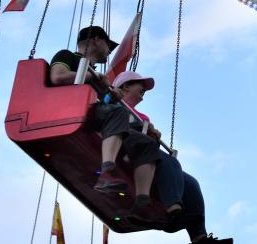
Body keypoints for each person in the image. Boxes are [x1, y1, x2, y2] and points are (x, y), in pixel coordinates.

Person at [112, 71, 232, 244]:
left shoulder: (143, 118)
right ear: (125, 86)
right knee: (170, 161)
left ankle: (199, 237)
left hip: (142, 151)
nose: (144, 89)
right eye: (141, 84)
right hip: (122, 146)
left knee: (191, 183)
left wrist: (153, 133)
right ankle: (173, 210)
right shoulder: (113, 101)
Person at [49, 25, 160, 195]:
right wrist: (91, 76)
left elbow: (104, 103)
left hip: (94, 116)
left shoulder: (99, 76)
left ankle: (142, 196)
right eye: (108, 45)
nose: (109, 51)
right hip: (68, 110)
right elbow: (57, 77)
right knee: (118, 113)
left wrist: (112, 95)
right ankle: (107, 171)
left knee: (144, 142)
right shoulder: (68, 56)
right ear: (96, 40)